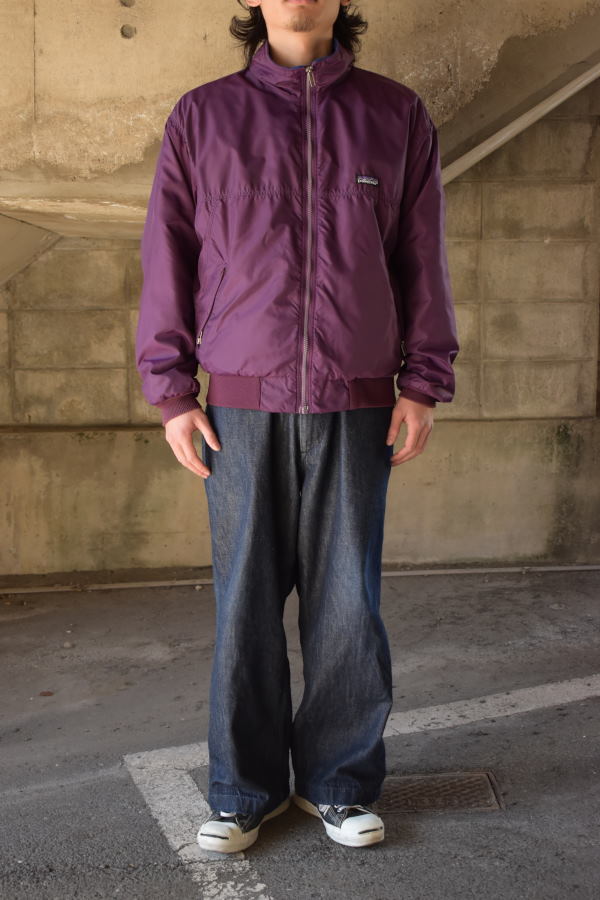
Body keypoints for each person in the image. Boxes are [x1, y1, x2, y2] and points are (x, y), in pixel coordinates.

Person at [135, 0, 459, 853]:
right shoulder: (204, 116)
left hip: (358, 398)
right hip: (240, 405)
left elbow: (421, 254)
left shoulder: (395, 114)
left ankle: (338, 784)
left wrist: (423, 382)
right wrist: (172, 392)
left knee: (349, 603)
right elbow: (168, 255)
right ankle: (243, 791)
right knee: (244, 603)